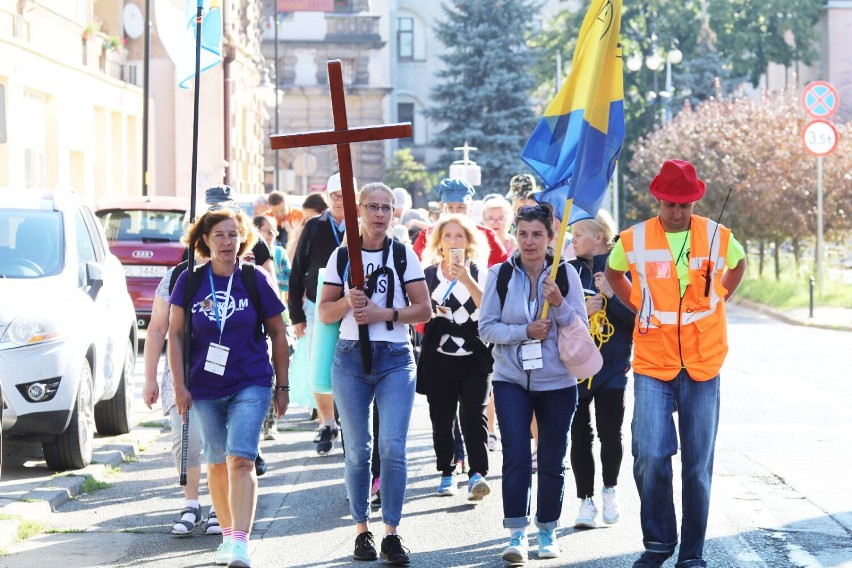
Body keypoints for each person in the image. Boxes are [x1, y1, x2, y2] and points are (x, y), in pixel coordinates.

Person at [605, 159, 747, 568]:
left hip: (703, 361)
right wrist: (636, 300)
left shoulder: (718, 236)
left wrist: (720, 297)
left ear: (694, 201)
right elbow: (615, 273)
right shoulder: (633, 239)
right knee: (649, 452)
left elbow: (738, 265)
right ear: (658, 199)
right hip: (653, 360)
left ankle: (692, 553)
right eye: (669, 205)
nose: (677, 212)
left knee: (697, 464)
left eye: (684, 205)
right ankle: (658, 543)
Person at [168, 205, 291, 568]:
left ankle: (240, 542)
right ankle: (225, 535)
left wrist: (282, 387)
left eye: (233, 235)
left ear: (243, 239)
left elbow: (278, 333)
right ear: (204, 241)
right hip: (203, 387)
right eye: (219, 235)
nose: (227, 242)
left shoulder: (254, 278)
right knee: (217, 461)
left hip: (250, 381)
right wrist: (179, 386)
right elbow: (174, 336)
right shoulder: (188, 281)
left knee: (241, 458)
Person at [318, 182, 431, 566]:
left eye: (386, 207)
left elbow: (424, 309)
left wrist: (384, 314)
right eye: (373, 207)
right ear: (359, 211)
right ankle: (361, 531)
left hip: (395, 357)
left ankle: (392, 533)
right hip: (350, 358)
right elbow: (324, 312)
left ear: (393, 213)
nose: (380, 214)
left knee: (392, 447)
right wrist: (347, 301)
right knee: (358, 450)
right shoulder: (341, 256)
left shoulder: (402, 254)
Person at [479, 204, 586, 563]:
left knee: (553, 459)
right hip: (511, 379)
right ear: (515, 234)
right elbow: (486, 328)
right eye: (522, 233)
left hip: (557, 382)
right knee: (517, 457)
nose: (529, 241)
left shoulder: (566, 274)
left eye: (537, 234)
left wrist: (558, 304)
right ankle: (517, 534)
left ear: (550, 237)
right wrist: (523, 331)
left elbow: (579, 329)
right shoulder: (500, 274)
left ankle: (547, 530)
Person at [567, 210, 634, 529]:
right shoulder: (568, 271)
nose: (573, 240)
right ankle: (585, 501)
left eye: (577, 234)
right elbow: (556, 319)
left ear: (598, 237)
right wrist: (583, 312)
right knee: (579, 434)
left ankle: (609, 490)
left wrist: (610, 294)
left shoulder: (624, 270)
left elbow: (639, 321)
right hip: (576, 368)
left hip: (612, 367)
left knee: (610, 432)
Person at [142, 264, 220, 537]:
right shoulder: (177, 275)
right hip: (181, 372)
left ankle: (218, 507)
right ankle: (190, 504)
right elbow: (156, 328)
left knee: (217, 443)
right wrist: (149, 378)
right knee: (185, 439)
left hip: (224, 372)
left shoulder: (236, 271)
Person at [419, 214, 492, 501]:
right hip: (439, 357)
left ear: (469, 241)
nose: (453, 242)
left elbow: (487, 307)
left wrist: (467, 279)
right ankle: (447, 471)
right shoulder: (428, 274)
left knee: (474, 415)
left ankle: (477, 474)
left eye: (459, 236)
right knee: (442, 417)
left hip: (474, 355)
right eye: (447, 236)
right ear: (438, 242)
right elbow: (420, 312)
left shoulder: (480, 272)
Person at [289, 173, 352, 455]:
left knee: (353, 364)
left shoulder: (361, 224)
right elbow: (297, 269)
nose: (340, 201)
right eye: (336, 195)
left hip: (353, 304)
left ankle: (350, 422)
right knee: (319, 365)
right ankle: (327, 423)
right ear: (328, 197)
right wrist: (296, 316)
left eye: (345, 195)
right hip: (316, 305)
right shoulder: (315, 226)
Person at [412, 178, 508, 268]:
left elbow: (504, 270)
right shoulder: (427, 236)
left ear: (470, 207)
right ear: (441, 207)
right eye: (449, 207)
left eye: (461, 207)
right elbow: (412, 270)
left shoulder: (486, 235)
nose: (455, 212)